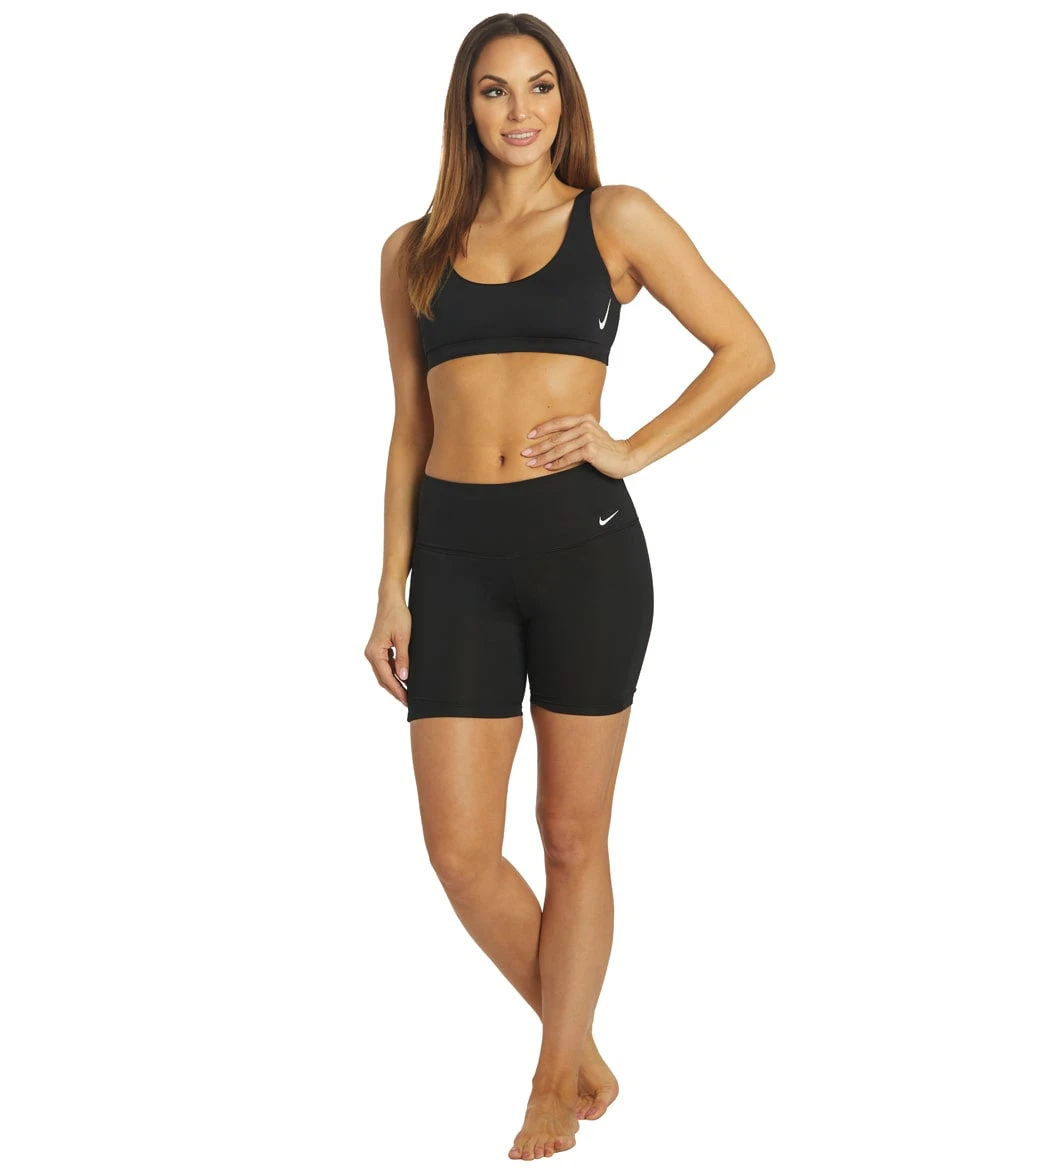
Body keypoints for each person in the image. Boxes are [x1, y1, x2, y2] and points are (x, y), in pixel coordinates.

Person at [364, 12, 774, 1162]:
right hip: (455, 563)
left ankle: (553, 1081)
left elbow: (746, 349)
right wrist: (390, 590)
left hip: (584, 551)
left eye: (540, 87)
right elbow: (409, 429)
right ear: (466, 107)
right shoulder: (412, 250)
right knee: (459, 850)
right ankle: (579, 1045)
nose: (521, 111)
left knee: (570, 834)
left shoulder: (616, 218)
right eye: (495, 90)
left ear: (566, 101)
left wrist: (630, 448)